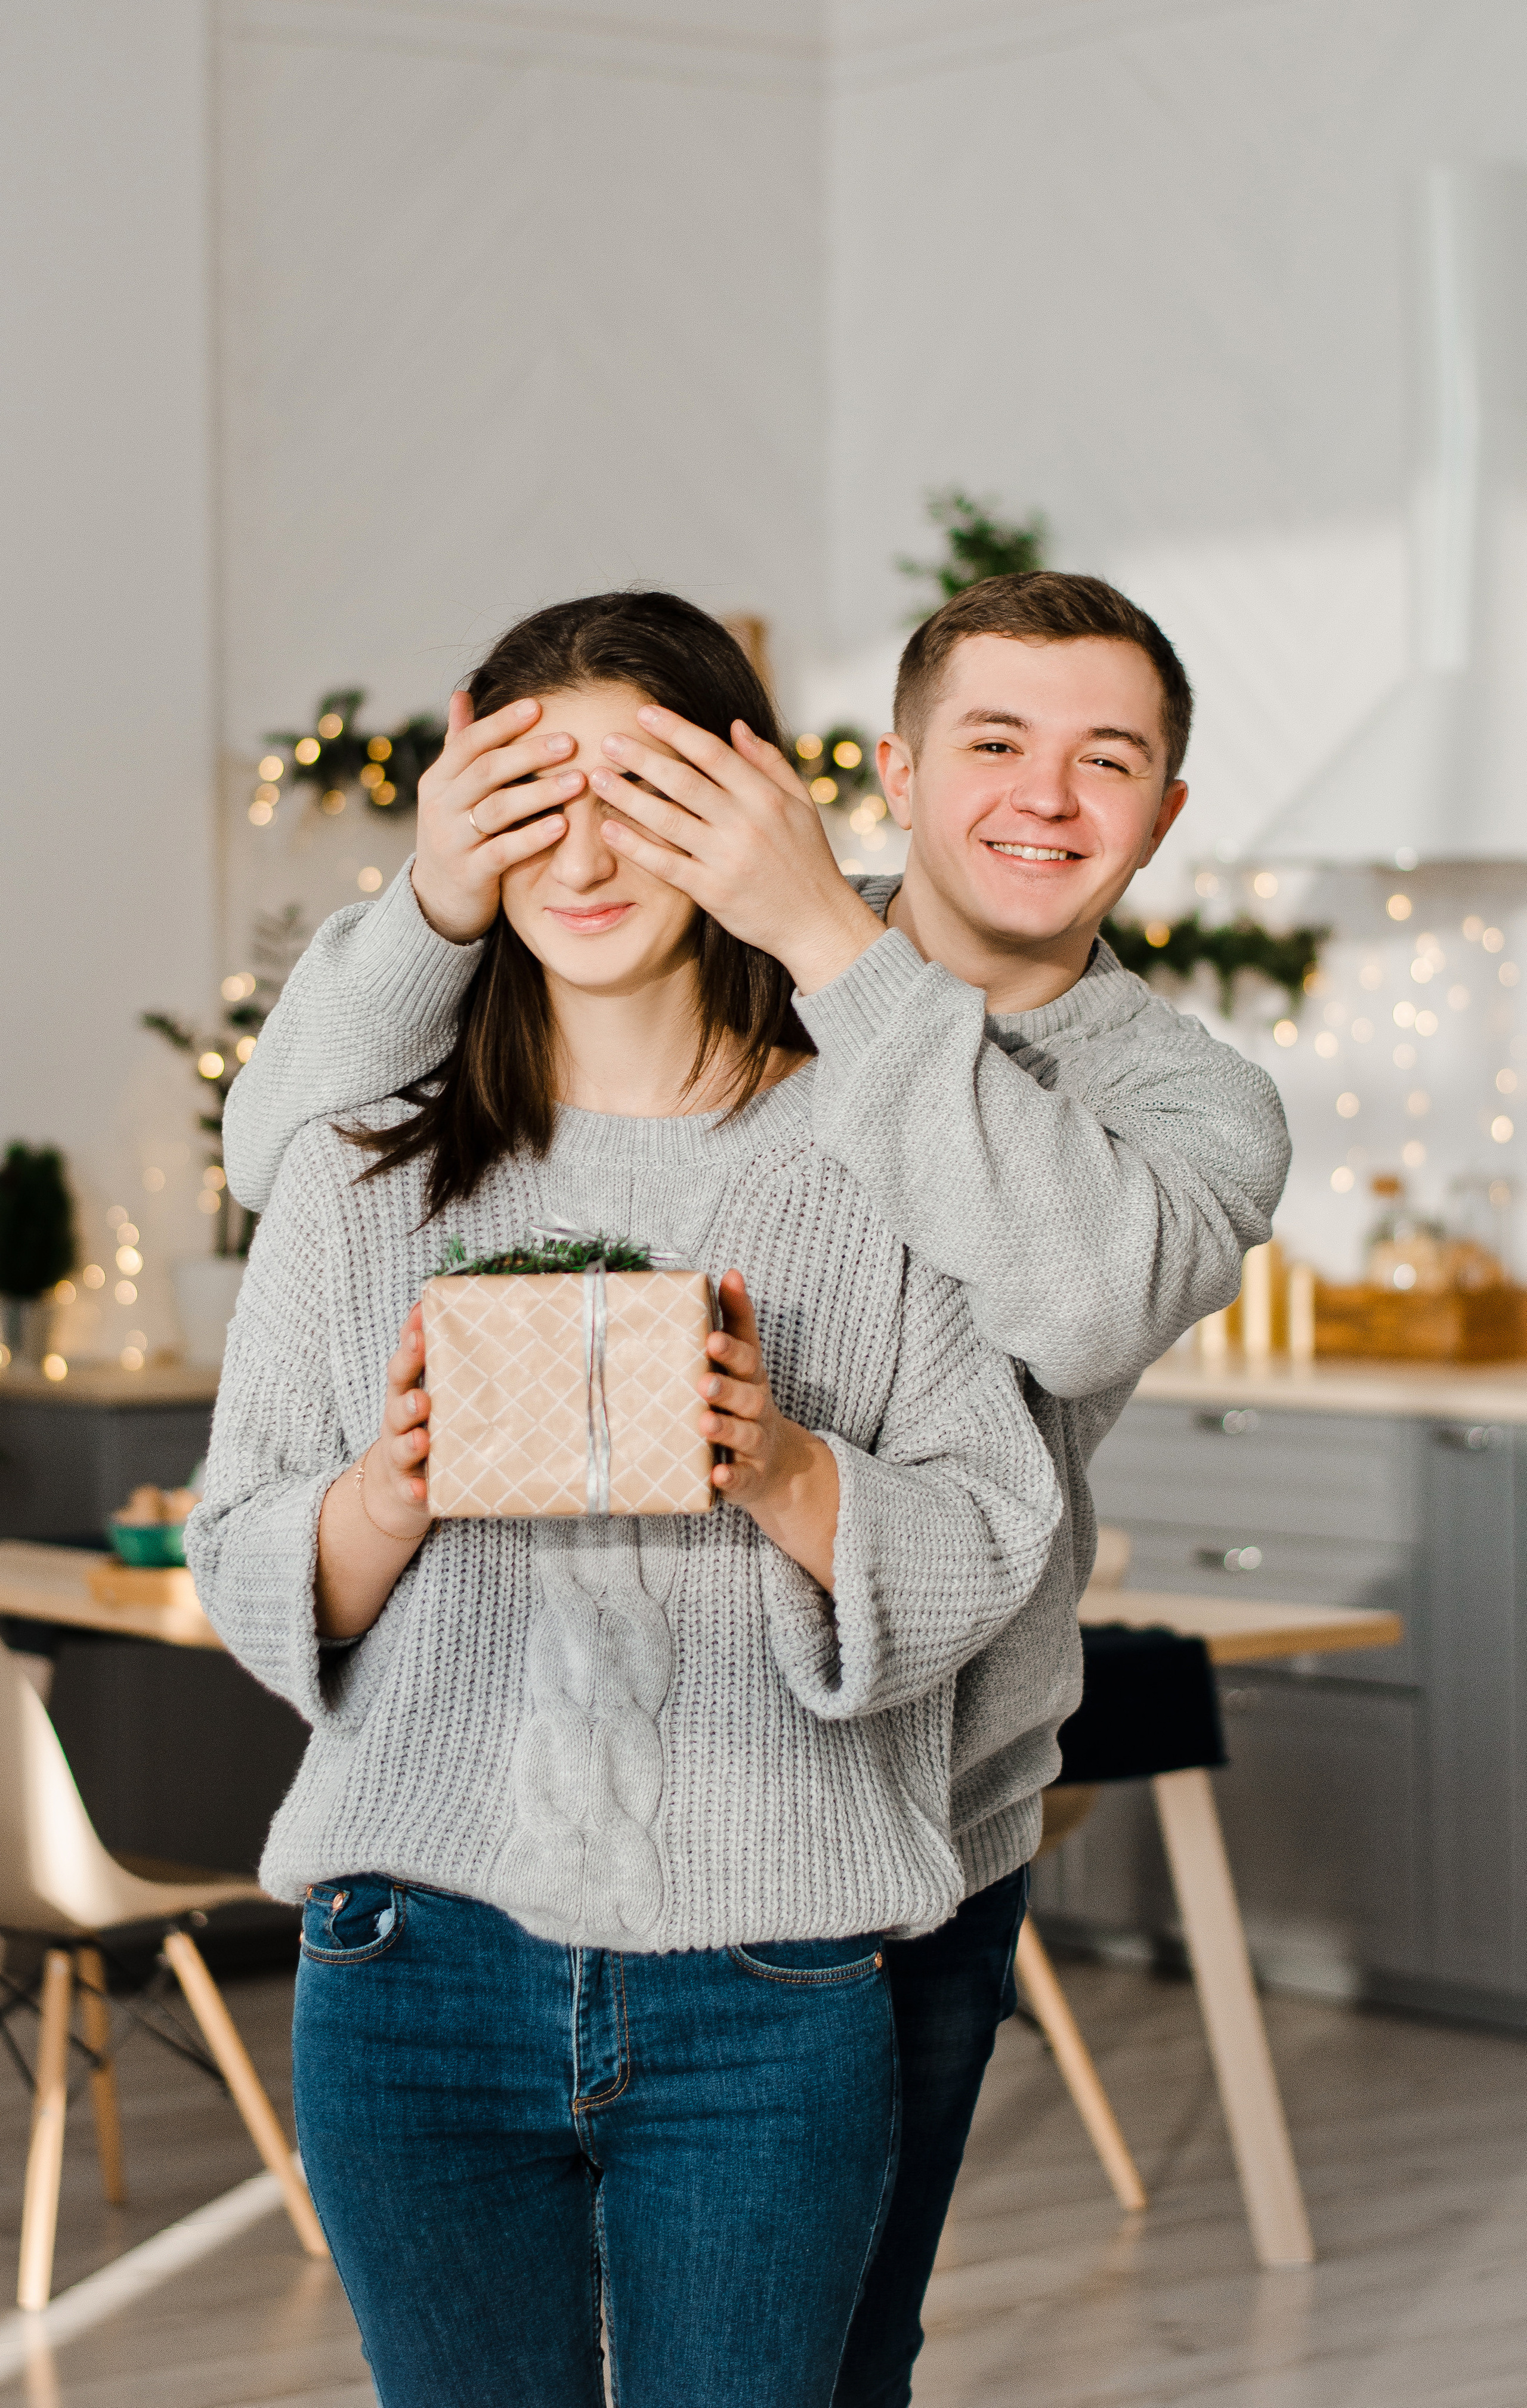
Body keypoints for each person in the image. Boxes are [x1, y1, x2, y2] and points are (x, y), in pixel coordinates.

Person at [222, 569, 1291, 2407]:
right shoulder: (690, 933)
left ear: (1165, 812)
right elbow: (297, 1150)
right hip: (463, 1881)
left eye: (1104, 759)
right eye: (993, 743)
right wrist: (435, 898)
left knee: (833, 2369)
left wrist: (824, 951)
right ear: (886, 768)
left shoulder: (1167, 1101)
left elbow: (1076, 1299)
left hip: (898, 1842)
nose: (1040, 797)